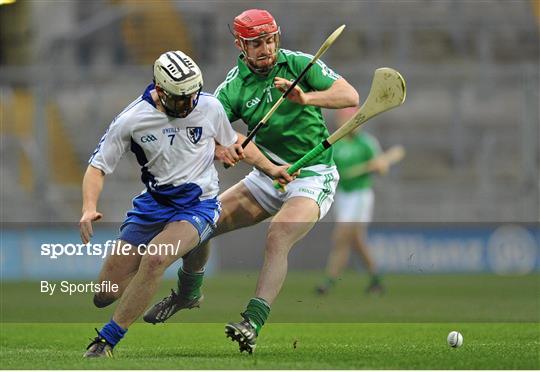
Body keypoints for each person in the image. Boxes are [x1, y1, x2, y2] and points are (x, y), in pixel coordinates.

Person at [143, 9, 359, 354]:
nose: (266, 48)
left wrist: (307, 97)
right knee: (202, 223)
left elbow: (350, 96)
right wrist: (221, 149)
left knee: (279, 234)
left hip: (312, 174)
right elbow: (202, 133)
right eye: (257, 43)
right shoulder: (233, 87)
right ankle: (188, 293)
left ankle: (252, 322)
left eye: (271, 39)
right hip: (266, 175)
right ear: (241, 45)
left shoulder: (300, 64)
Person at [80, 50, 293, 358]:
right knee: (103, 294)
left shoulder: (208, 106)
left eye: (193, 96)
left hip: (199, 204)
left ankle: (106, 340)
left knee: (155, 259)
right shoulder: (131, 120)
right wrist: (88, 207)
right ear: (160, 90)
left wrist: (271, 168)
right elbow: (97, 167)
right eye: (181, 99)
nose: (189, 104)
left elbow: (234, 143)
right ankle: (188, 278)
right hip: (153, 205)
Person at [316, 107, 388, 296]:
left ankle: (328, 281)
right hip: (342, 195)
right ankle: (376, 278)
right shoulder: (335, 143)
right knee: (356, 241)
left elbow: (382, 167)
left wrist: (378, 166)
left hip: (360, 195)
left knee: (341, 236)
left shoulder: (366, 143)